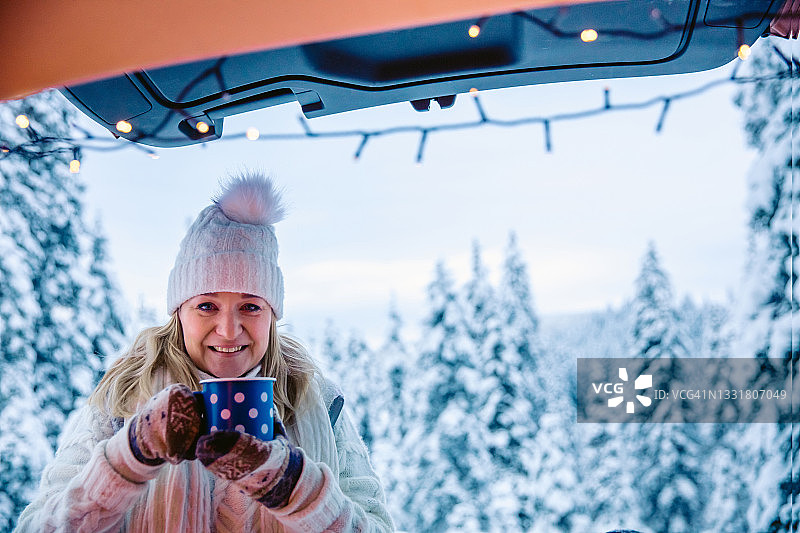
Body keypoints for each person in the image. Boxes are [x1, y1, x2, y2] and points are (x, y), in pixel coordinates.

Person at [16, 172, 395, 532]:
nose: (228, 330)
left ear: (272, 315)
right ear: (178, 310)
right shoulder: (125, 396)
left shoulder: (316, 401)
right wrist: (130, 455)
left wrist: (295, 486)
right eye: (207, 306)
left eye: (250, 306)